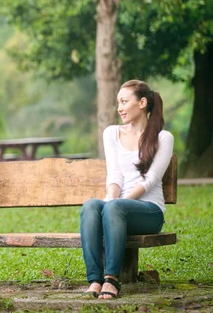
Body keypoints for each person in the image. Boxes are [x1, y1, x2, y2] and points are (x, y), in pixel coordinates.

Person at [80, 80, 174, 299]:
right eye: (117, 103)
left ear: (142, 103)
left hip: (149, 212)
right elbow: (114, 175)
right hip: (117, 209)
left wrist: (114, 206)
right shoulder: (112, 133)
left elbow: (150, 180)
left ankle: (111, 280)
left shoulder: (163, 137)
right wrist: (111, 201)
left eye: (124, 102)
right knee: (91, 206)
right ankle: (95, 279)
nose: (119, 108)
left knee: (114, 208)